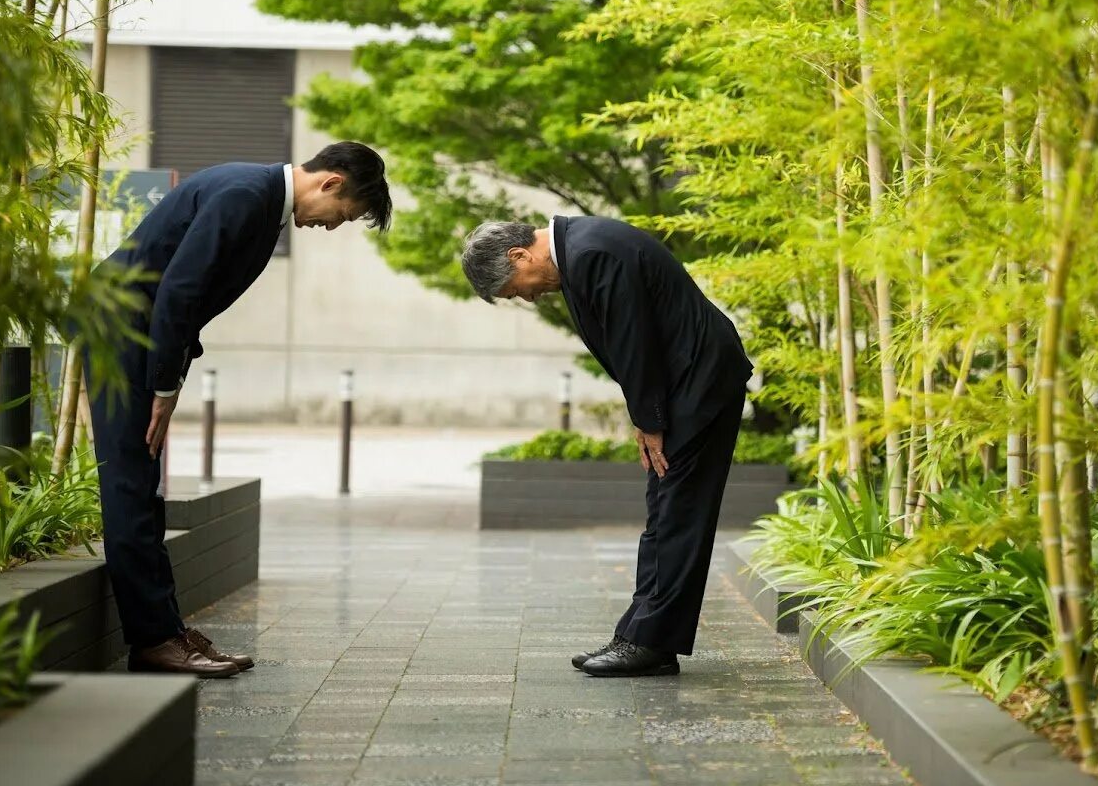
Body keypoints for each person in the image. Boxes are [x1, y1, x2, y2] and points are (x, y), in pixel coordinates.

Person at [88, 142, 391, 677]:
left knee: (143, 484)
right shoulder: (247, 196)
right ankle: (154, 639)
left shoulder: (255, 195)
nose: (331, 227)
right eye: (343, 216)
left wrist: (169, 372)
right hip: (122, 333)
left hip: (137, 335)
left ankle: (163, 630)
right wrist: (165, 384)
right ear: (332, 183)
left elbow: (186, 291)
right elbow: (178, 291)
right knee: (130, 484)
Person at [461, 216, 753, 677]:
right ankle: (639, 633)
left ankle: (650, 642)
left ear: (519, 256)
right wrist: (647, 417)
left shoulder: (590, 252)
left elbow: (633, 341)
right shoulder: (580, 249)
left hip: (699, 384)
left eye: (515, 290)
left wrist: (649, 421)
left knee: (678, 511)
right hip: (686, 385)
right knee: (665, 510)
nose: (529, 297)